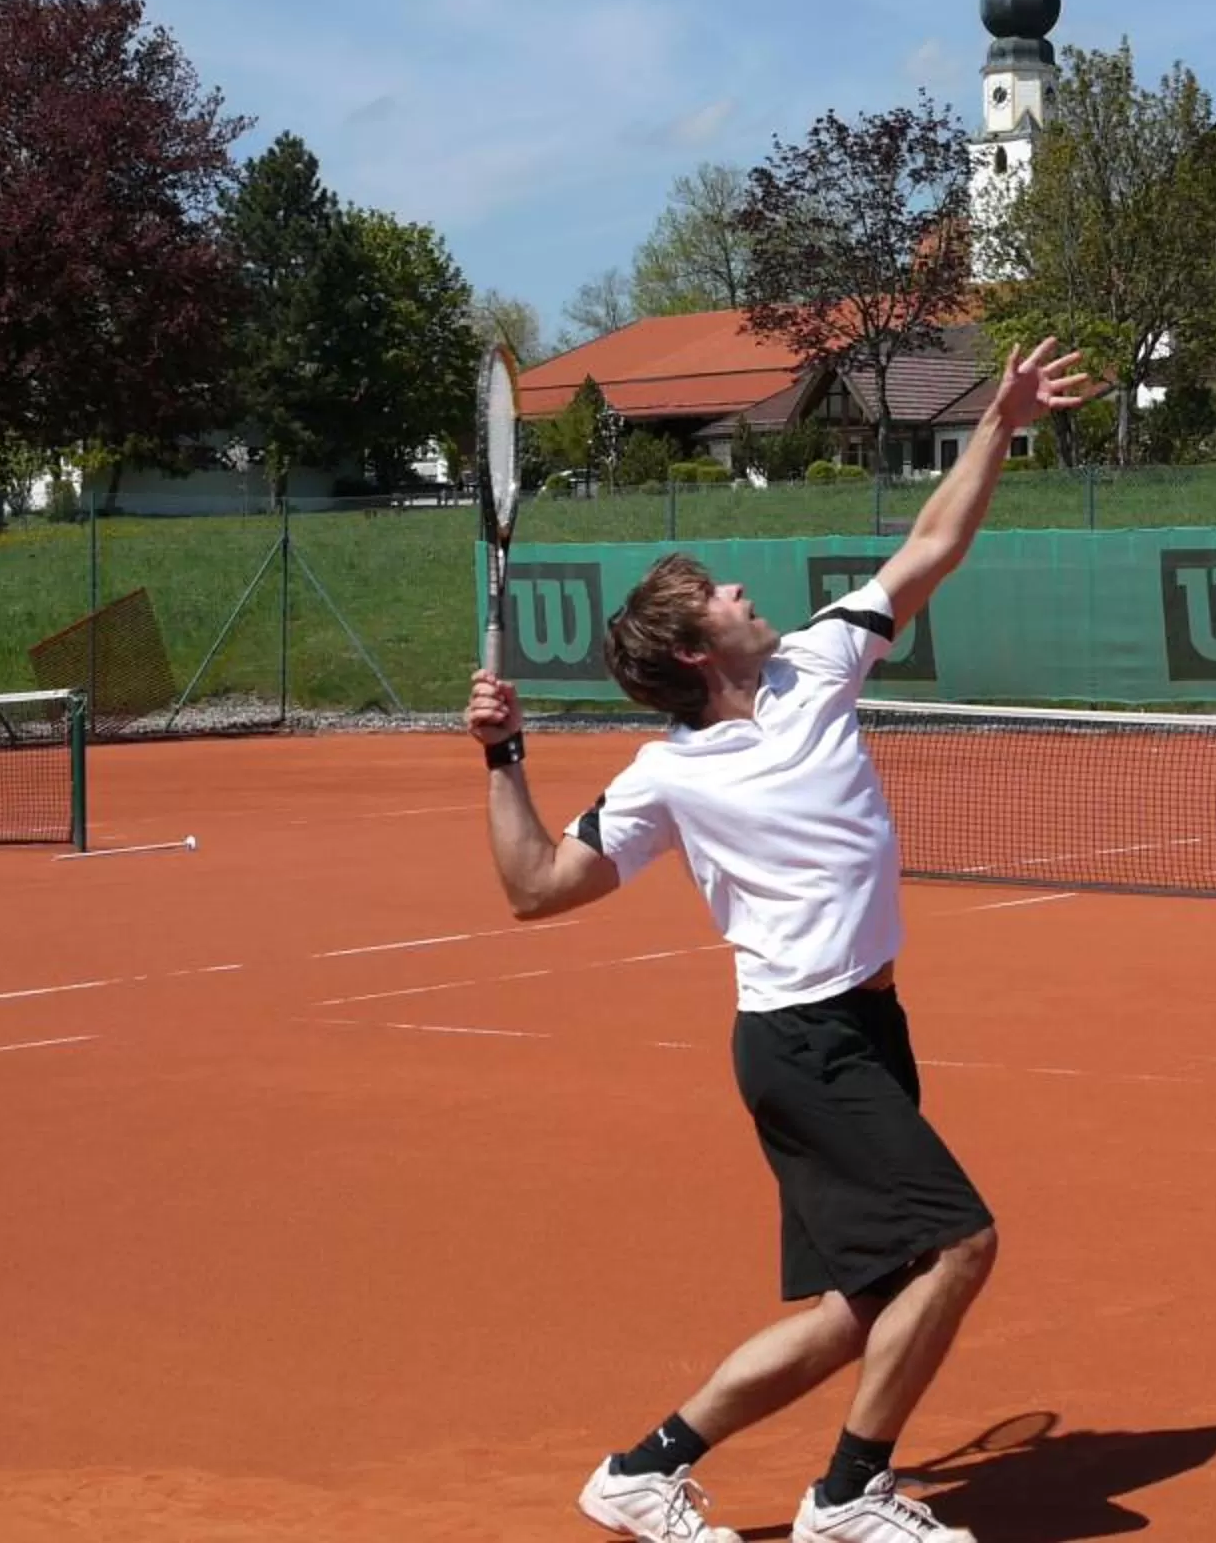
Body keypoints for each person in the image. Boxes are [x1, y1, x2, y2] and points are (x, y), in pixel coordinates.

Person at [466, 336, 1095, 1543]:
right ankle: (850, 1492)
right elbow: (538, 887)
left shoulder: (819, 665)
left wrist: (999, 423)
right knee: (960, 1244)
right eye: (720, 596)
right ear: (697, 653)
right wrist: (502, 759)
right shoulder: (667, 775)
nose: (744, 593)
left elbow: (931, 548)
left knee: (861, 1305)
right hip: (805, 1044)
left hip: (866, 1023)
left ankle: (643, 1471)